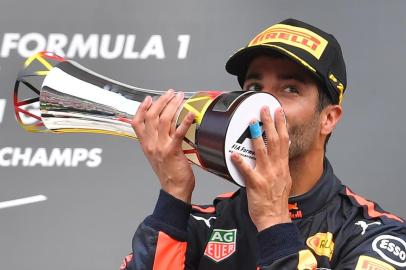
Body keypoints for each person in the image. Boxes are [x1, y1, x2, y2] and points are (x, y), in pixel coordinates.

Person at [120, 18, 406, 269]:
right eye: (254, 88)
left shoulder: (377, 236)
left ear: (328, 118)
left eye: (290, 89)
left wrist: (273, 220)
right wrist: (174, 192)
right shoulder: (199, 226)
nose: (260, 105)